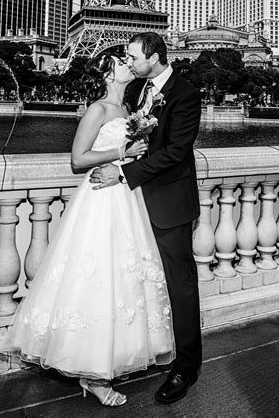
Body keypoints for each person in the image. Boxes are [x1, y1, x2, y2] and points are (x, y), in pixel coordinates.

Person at [1, 52, 175, 407]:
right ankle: (93, 374)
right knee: (97, 279)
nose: (129, 63)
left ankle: (104, 362)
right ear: (108, 74)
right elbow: (78, 159)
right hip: (99, 201)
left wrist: (132, 153)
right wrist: (121, 150)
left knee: (122, 280)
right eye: (122, 61)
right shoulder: (97, 109)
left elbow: (125, 156)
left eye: (130, 59)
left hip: (125, 197)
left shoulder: (129, 111)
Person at [91, 32, 202, 405]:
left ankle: (186, 367)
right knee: (142, 283)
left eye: (134, 56)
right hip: (135, 204)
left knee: (180, 285)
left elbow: (174, 151)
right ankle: (152, 350)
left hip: (168, 203)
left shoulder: (186, 94)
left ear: (153, 57)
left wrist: (122, 174)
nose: (129, 61)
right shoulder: (137, 91)